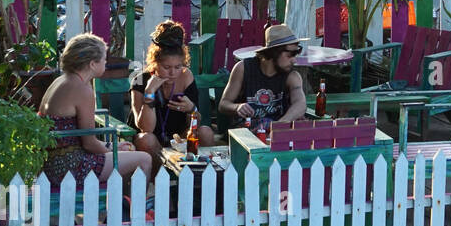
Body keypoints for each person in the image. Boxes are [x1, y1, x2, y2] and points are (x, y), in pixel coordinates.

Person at [39, 33, 152, 187]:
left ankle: (121, 203)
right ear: (92, 64)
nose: (106, 63)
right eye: (104, 60)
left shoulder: (62, 80)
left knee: (129, 152)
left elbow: (78, 136)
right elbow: (89, 144)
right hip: (69, 166)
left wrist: (112, 147)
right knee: (144, 159)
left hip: (52, 162)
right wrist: (113, 152)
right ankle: (131, 208)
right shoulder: (82, 89)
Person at [130, 21, 215, 167]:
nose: (172, 73)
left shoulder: (186, 76)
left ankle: (201, 178)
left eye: (178, 67)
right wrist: (149, 92)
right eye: (166, 67)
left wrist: (192, 109)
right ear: (154, 63)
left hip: (178, 139)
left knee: (205, 132)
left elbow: (196, 123)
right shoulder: (140, 80)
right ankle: (161, 182)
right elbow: (146, 128)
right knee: (146, 139)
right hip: (151, 140)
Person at [219, 24, 308, 130]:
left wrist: (281, 124)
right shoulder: (243, 68)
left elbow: (300, 103)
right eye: (291, 54)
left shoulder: (292, 76)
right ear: (275, 52)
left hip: (276, 129)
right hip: (246, 132)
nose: (294, 60)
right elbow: (223, 104)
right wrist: (237, 107)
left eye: (296, 53)